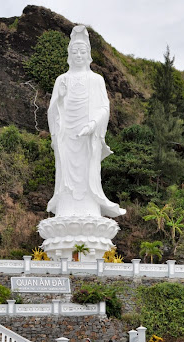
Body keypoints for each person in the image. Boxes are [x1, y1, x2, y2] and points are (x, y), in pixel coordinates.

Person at [47, 24, 125, 219]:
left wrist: (93, 125)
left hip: (89, 134)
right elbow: (52, 111)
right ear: (69, 54)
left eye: (82, 51)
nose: (79, 55)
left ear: (88, 54)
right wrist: (60, 99)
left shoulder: (96, 80)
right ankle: (65, 207)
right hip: (67, 134)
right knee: (65, 170)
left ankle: (89, 207)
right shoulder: (61, 80)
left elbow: (104, 107)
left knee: (89, 169)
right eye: (75, 51)